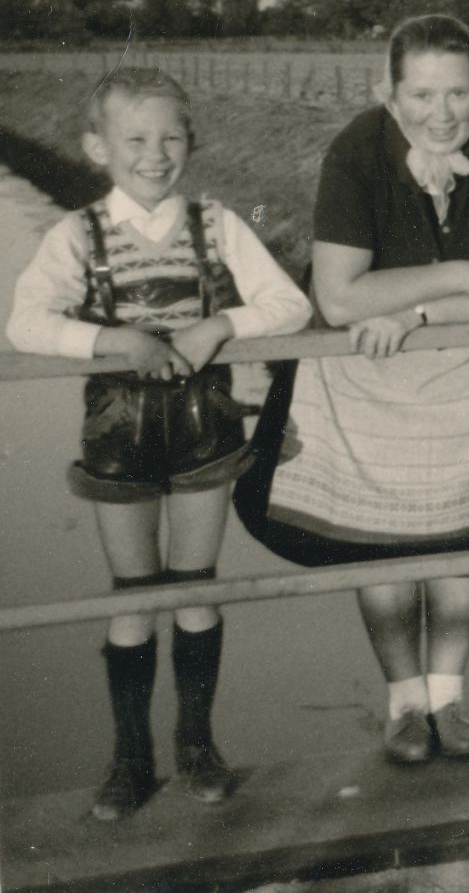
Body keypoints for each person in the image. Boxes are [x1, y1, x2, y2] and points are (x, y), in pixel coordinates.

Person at [236, 14, 469, 765]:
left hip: (468, 367)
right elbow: (340, 297)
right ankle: (405, 707)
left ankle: (448, 699)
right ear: (389, 91)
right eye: (422, 95)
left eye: (459, 93)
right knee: (375, 541)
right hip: (366, 374)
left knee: (465, 539)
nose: (443, 114)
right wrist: (466, 273)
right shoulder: (357, 150)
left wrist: (417, 312)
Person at [6, 68, 311, 821]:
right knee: (135, 595)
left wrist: (220, 325)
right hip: (118, 435)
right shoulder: (78, 235)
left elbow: (290, 303)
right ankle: (130, 757)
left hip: (206, 431)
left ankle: (198, 744)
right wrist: (112, 339)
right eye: (136, 139)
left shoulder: (219, 225)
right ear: (96, 147)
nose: (155, 154)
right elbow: (25, 323)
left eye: (171, 137)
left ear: (192, 143)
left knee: (196, 586)